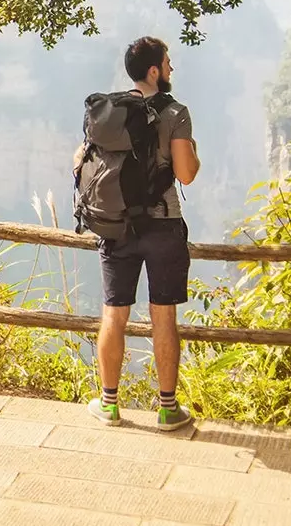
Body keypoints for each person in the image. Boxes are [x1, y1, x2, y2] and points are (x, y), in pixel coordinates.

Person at [76, 36, 200, 431]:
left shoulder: (109, 112)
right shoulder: (176, 112)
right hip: (163, 225)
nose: (172, 69)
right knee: (163, 316)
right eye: (167, 62)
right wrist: (191, 149)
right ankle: (167, 410)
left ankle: (109, 405)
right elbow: (185, 174)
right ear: (154, 71)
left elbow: (79, 161)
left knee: (114, 313)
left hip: (116, 227)